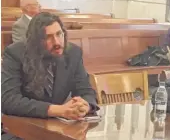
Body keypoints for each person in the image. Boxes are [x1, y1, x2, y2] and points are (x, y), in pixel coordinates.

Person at [2, 12, 99, 140]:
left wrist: (85, 105)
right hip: (19, 130)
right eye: (48, 37)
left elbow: (86, 91)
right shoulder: (15, 54)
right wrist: (58, 110)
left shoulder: (72, 53)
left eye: (59, 34)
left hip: (56, 129)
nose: (57, 42)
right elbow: (9, 101)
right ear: (35, 41)